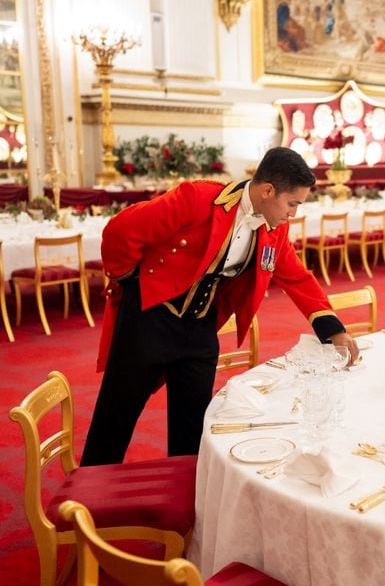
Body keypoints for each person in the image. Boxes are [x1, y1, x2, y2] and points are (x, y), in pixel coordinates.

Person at [81, 147, 359, 466]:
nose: (293, 213)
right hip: (149, 321)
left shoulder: (274, 229)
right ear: (268, 191)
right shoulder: (197, 199)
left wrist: (333, 332)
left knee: (193, 429)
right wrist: (133, 281)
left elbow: (297, 278)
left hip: (200, 332)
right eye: (292, 203)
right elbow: (121, 231)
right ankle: (84, 504)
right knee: (115, 419)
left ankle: (186, 504)